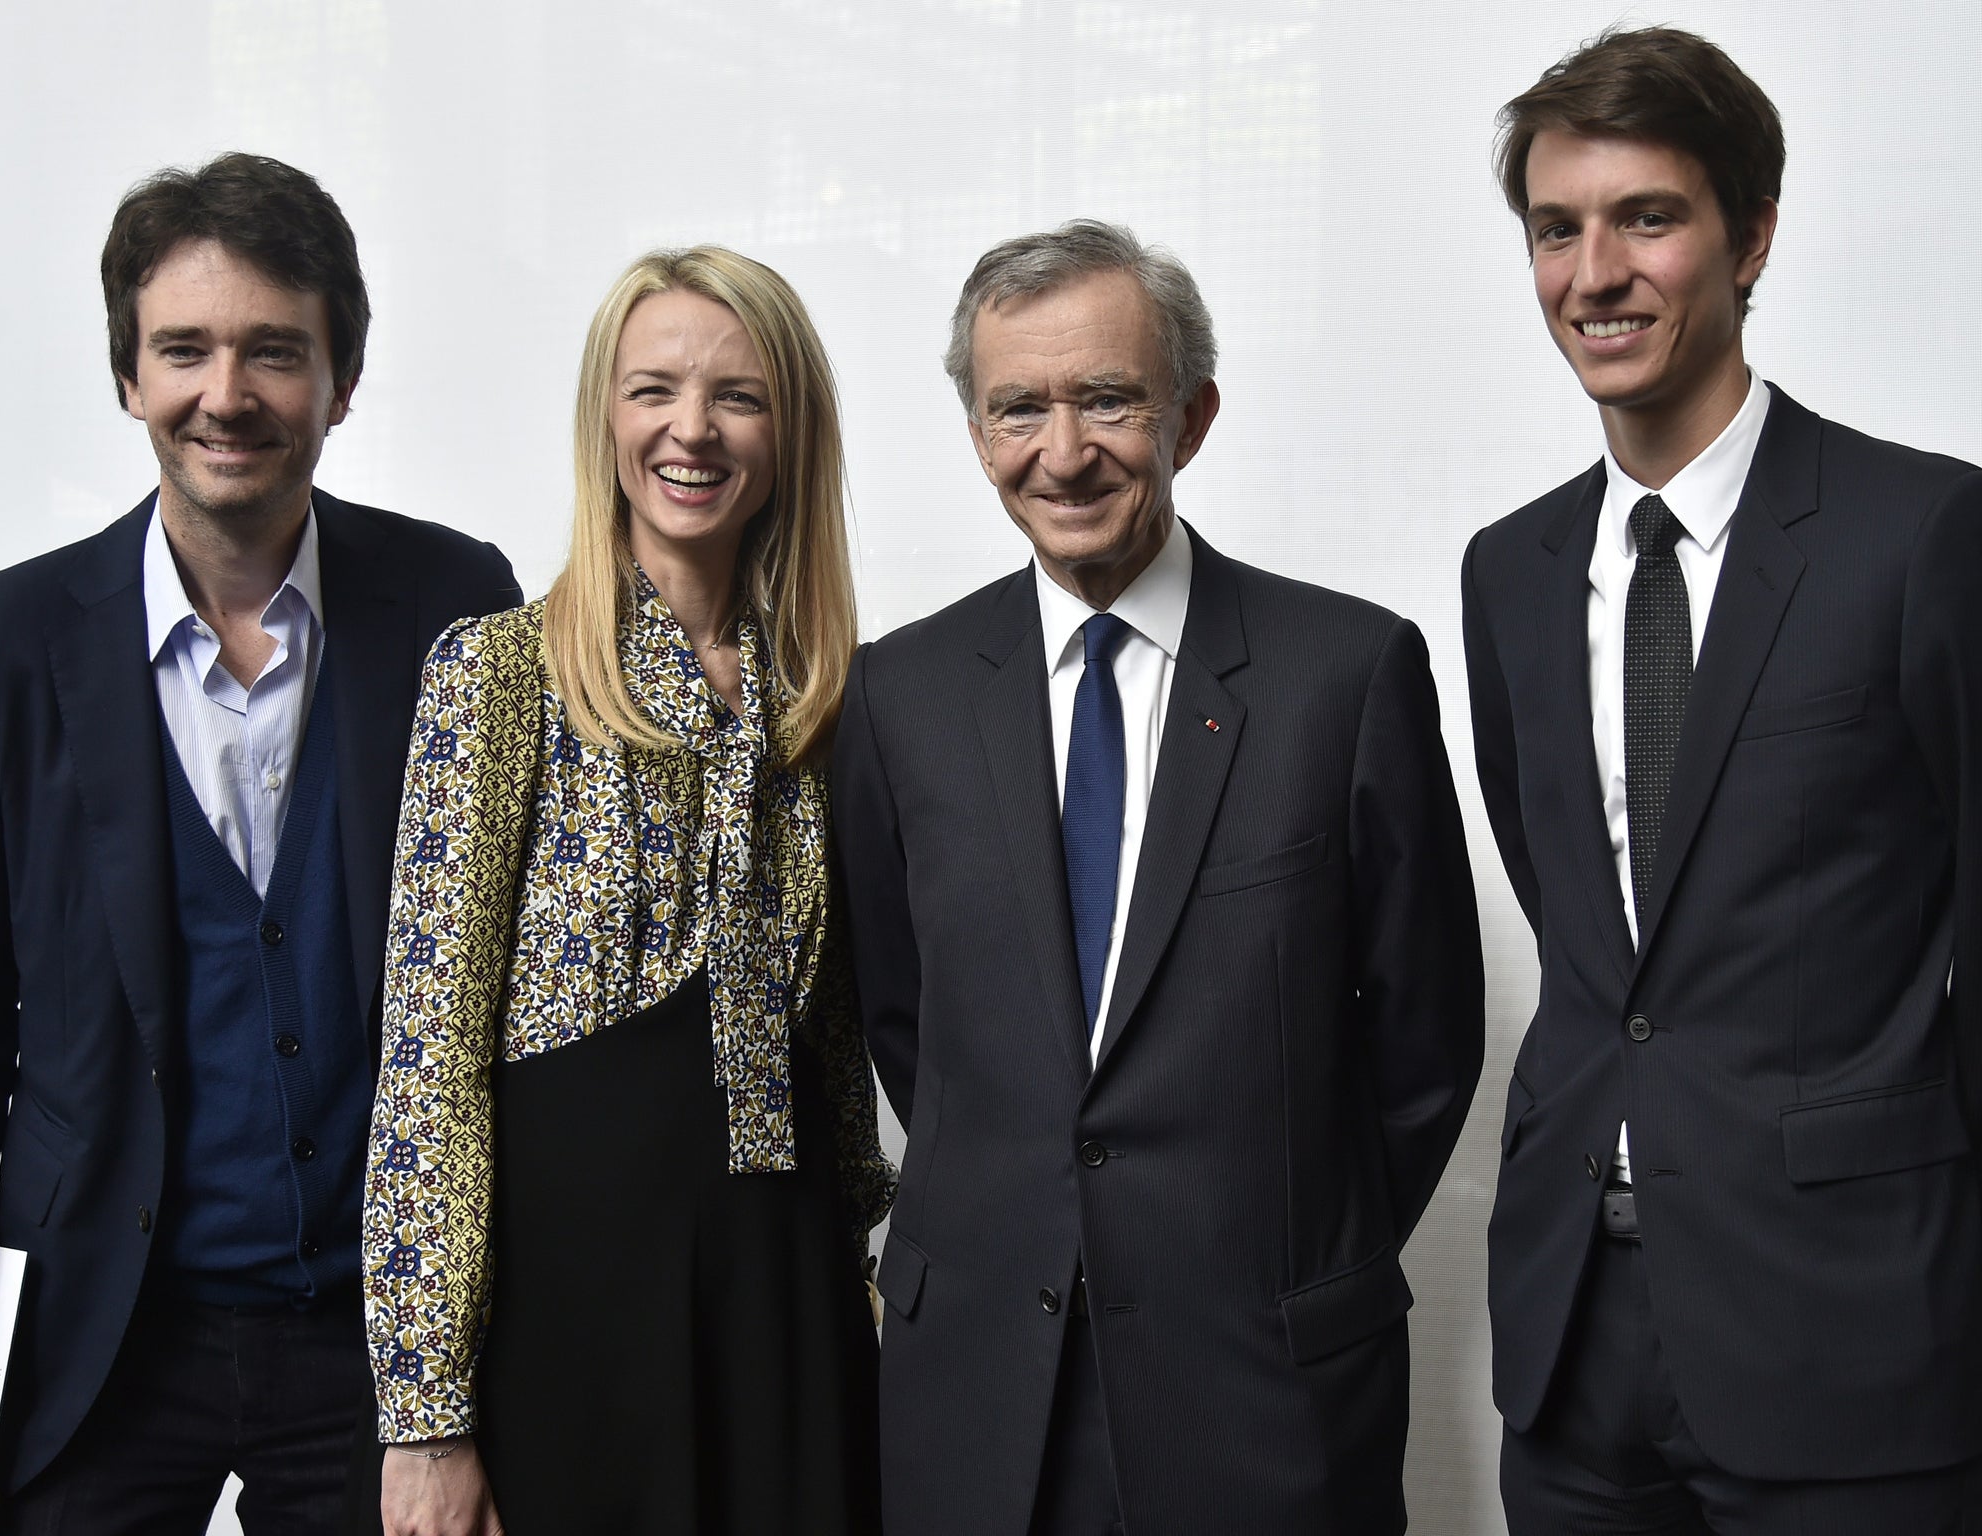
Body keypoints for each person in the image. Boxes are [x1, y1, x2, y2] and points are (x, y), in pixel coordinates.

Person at [830, 218, 1484, 1536]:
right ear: (976, 436)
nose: (1062, 453)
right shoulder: (899, 697)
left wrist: (1280, 1242)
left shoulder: (1346, 677)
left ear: (1192, 416)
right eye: (1019, 408)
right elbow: (905, 1021)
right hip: (984, 1388)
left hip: (1265, 1382)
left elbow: (1425, 1041)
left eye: (1109, 400)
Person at [0, 153, 521, 1536]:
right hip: (100, 1333)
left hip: (385, 1351)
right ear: (130, 377)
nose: (226, 394)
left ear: (341, 378)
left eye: (275, 352)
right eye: (184, 350)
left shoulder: (456, 605)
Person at [1463, 26, 1982, 1532]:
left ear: (1751, 235)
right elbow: (1588, 929)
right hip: (1574, 1354)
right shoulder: (1509, 573)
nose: (1593, 274)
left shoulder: (1923, 537)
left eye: (1648, 218)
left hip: (1855, 1335)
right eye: (1557, 229)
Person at [364, 245, 894, 1536]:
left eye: (740, 397)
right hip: (570, 1308)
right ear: (606, 414)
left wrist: (878, 1279)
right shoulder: (496, 674)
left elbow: (836, 1051)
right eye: (654, 388)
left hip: (789, 1299)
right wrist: (424, 1415)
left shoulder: (834, 700)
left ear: (793, 432)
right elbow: (426, 1063)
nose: (692, 430)